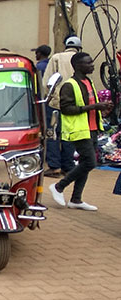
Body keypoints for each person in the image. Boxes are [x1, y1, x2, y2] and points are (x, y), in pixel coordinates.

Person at [48, 52, 112, 211]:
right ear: (77, 66)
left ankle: (76, 199)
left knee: (85, 162)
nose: (92, 65)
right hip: (79, 130)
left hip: (92, 128)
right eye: (88, 63)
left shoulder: (88, 81)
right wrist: (94, 107)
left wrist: (102, 109)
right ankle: (58, 186)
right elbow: (66, 108)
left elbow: (90, 104)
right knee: (90, 162)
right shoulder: (69, 85)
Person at [43, 36, 81, 177]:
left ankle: (54, 167)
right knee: (69, 135)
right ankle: (68, 166)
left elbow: (47, 81)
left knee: (52, 135)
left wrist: (48, 97)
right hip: (74, 105)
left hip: (56, 104)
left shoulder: (56, 57)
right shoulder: (82, 58)